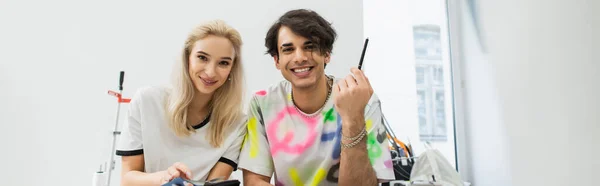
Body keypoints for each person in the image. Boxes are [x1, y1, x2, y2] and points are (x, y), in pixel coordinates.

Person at [239, 9, 395, 186]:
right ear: (277, 60)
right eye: (288, 49)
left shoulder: (362, 100)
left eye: (310, 47)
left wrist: (353, 118)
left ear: (327, 54)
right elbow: (254, 181)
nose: (300, 58)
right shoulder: (262, 103)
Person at [115, 20, 247, 186]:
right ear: (187, 58)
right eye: (202, 58)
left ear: (232, 69)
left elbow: (214, 183)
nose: (210, 72)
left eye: (223, 63)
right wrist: (164, 178)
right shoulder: (147, 101)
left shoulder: (237, 124)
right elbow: (127, 180)